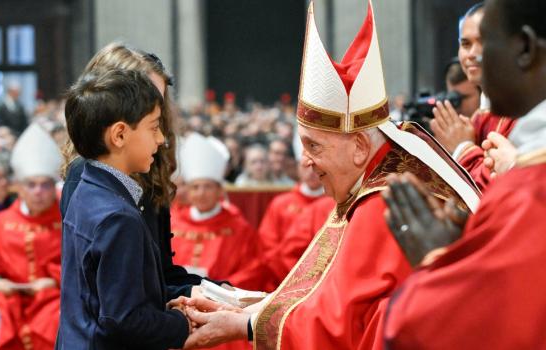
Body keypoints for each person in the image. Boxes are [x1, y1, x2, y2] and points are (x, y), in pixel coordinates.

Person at [179, 2, 480, 349]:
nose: (305, 161)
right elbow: (321, 294)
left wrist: (241, 324)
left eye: (315, 146)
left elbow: (336, 323)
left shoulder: (384, 199)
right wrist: (239, 305)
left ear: (358, 147)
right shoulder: (384, 168)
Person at [383, 0, 546, 347]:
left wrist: (436, 261)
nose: (472, 58)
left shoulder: (533, 191)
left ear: (525, 48)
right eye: (466, 44)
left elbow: (458, 324)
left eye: (486, 41)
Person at [58, 69, 189, 349]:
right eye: (154, 127)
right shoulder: (117, 217)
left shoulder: (86, 189)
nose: (161, 139)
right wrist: (182, 321)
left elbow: (105, 296)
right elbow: (124, 320)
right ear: (119, 135)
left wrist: (162, 303)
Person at [59, 43, 204, 292]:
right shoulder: (84, 178)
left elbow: (162, 272)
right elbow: (114, 298)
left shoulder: (150, 169)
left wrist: (223, 294)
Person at [0, 123, 62, 350]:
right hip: (8, 301)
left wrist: (54, 280)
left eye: (45, 185)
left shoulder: (68, 221)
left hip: (52, 299)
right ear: (19, 188)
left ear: (53, 186)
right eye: (31, 185)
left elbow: (81, 264)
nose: (38, 192)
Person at [430, 2, 516, 191]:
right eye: (465, 44)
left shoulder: (528, 113)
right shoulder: (478, 118)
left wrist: (462, 148)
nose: (472, 54)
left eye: (483, 41)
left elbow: (502, 192)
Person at [171, 133, 259, 290]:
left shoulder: (238, 227)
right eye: (195, 187)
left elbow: (252, 269)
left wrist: (221, 289)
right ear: (188, 191)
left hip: (222, 301)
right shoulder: (173, 222)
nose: (201, 193)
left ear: (220, 191)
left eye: (208, 187)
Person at [257, 162, 324, 291]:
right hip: (281, 280)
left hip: (323, 279)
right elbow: (267, 246)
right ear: (298, 168)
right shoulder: (280, 204)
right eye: (306, 166)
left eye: (316, 166)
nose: (311, 172)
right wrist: (295, 278)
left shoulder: (335, 203)